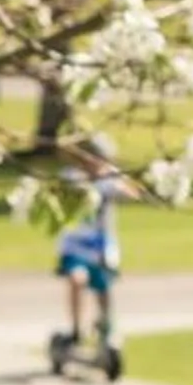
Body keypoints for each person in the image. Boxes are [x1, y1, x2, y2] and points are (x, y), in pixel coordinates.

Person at [51, 139, 125, 353]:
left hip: (101, 245)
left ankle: (106, 329)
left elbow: (130, 192)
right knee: (77, 279)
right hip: (75, 244)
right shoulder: (71, 178)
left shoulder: (110, 180)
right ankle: (76, 330)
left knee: (104, 288)